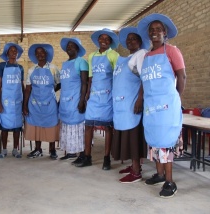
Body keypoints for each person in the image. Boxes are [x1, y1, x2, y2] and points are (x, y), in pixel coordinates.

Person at [138, 13, 186, 198]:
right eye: (152, 30)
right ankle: (159, 174)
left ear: (165, 33)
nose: (155, 32)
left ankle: (169, 181)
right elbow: (144, 82)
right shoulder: (148, 56)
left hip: (167, 105)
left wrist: (177, 99)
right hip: (151, 106)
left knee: (166, 141)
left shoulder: (172, 51)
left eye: (159, 29)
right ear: (149, 35)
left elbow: (181, 76)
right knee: (154, 139)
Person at [75, 29, 119, 169]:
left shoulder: (114, 55)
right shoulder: (92, 56)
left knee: (107, 127)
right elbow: (90, 78)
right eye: (102, 38)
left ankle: (107, 158)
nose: (104, 41)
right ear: (98, 40)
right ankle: (87, 156)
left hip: (107, 96)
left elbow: (117, 76)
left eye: (107, 39)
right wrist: (87, 94)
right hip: (94, 96)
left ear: (110, 41)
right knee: (88, 126)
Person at [110, 27, 150, 182]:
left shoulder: (141, 54)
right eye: (128, 39)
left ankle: (136, 172)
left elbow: (144, 78)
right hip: (122, 105)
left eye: (134, 39)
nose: (130, 41)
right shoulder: (124, 59)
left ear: (140, 42)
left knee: (133, 138)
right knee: (126, 137)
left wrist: (140, 98)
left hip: (132, 104)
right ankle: (135, 166)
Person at [23, 44, 61, 159]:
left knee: (51, 125)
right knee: (36, 125)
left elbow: (59, 83)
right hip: (34, 103)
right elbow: (28, 88)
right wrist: (25, 105)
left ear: (46, 54)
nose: (40, 55)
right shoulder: (31, 70)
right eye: (37, 53)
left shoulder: (54, 68)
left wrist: (50, 91)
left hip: (50, 103)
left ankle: (52, 149)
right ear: (35, 56)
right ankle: (37, 149)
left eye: (42, 52)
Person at [58, 37, 88, 161]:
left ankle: (82, 154)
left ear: (77, 48)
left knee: (78, 127)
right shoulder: (65, 64)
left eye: (72, 45)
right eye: (68, 46)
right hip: (65, 101)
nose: (69, 47)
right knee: (67, 127)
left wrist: (82, 101)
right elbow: (63, 83)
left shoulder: (82, 62)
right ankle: (70, 152)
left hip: (76, 99)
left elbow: (85, 83)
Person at [0, 43, 24, 158]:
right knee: (5, 127)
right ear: (7, 53)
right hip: (5, 101)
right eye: (11, 50)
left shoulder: (20, 67)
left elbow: (22, 85)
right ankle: (3, 149)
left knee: (17, 127)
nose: (14, 52)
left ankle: (15, 149)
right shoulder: (2, 66)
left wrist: (25, 102)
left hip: (18, 100)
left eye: (15, 50)